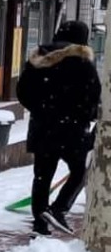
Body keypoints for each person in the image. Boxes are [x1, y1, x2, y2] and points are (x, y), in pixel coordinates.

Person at [16, 20, 101, 236]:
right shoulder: (82, 62)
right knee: (80, 171)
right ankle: (59, 208)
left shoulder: (38, 59)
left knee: (42, 175)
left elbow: (22, 92)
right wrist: (84, 116)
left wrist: (41, 110)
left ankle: (40, 223)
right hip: (71, 130)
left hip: (42, 127)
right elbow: (93, 97)